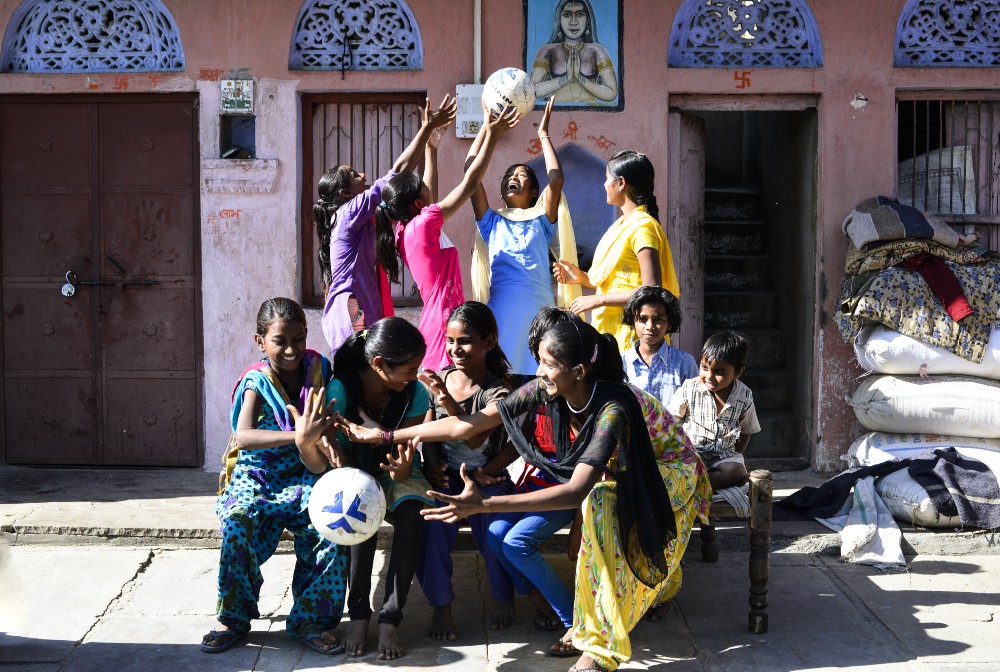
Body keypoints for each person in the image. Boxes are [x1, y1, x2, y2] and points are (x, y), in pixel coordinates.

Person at [331, 316, 712, 672]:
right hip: (612, 472)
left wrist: (484, 504)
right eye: (539, 361)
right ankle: (609, 611)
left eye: (547, 363)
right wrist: (384, 436)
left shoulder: (612, 408)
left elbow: (574, 490)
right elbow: (469, 426)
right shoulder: (547, 388)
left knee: (600, 507)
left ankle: (597, 645)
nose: (539, 371)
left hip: (670, 471)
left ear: (578, 371)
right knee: (599, 510)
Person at [202, 297, 345, 656]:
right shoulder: (257, 380)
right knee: (237, 524)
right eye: (280, 340)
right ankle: (232, 618)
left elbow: (327, 418)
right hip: (258, 475)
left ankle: (310, 620)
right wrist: (298, 434)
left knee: (332, 523)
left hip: (303, 470)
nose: (291, 348)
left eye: (298, 338)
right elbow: (245, 435)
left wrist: (316, 441)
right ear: (260, 342)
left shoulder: (319, 369)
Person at [291, 316, 433, 661]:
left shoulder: (415, 394)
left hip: (395, 472)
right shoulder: (341, 391)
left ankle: (390, 617)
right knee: (357, 512)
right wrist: (336, 453)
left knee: (414, 513)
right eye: (409, 369)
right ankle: (358, 615)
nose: (414, 376)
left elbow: (407, 454)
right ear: (380, 364)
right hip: (351, 470)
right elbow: (329, 449)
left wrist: (400, 472)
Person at [374, 105, 519, 370]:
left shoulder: (407, 228)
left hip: (442, 323)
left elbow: (429, 192)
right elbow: (470, 184)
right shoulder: (423, 224)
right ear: (418, 203)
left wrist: (432, 148)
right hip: (444, 328)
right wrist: (493, 136)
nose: (429, 191)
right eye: (423, 191)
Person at [315, 95, 456, 356]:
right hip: (352, 308)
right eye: (356, 175)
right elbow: (398, 172)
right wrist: (424, 130)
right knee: (360, 372)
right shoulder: (348, 212)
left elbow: (421, 200)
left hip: (362, 310)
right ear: (345, 193)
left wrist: (431, 148)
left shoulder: (366, 219)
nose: (364, 176)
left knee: (371, 380)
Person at [414, 301, 519, 639]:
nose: (455, 349)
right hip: (445, 478)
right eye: (450, 340)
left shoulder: (498, 389)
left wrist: (445, 398)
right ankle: (441, 607)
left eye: (465, 341)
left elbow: (474, 439)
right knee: (430, 527)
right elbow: (428, 433)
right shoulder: (440, 379)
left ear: (488, 342)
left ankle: (503, 597)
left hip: (487, 476)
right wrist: (432, 467)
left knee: (495, 531)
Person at [469, 96, 581, 375]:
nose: (513, 178)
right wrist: (487, 128)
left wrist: (543, 134)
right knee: (501, 375)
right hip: (501, 309)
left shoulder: (542, 221)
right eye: (509, 175)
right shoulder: (491, 221)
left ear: (534, 192)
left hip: (539, 310)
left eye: (522, 175)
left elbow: (556, 179)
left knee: (540, 376)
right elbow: (470, 171)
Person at [553, 150, 680, 352]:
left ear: (621, 183)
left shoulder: (642, 227)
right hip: (611, 330)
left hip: (631, 335)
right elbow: (617, 282)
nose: (604, 185)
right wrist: (581, 278)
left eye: (606, 179)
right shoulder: (622, 225)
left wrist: (598, 300)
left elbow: (651, 289)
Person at [667, 331, 760, 491]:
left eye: (719, 372)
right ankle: (700, 483)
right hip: (693, 451)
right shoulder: (690, 388)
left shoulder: (744, 396)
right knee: (678, 465)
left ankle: (696, 486)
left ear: (738, 373)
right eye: (704, 367)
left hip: (723, 456)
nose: (709, 376)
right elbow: (671, 421)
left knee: (737, 470)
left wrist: (736, 457)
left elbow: (746, 430)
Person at [530, 0, 618, 104]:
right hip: (555, 114)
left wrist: (579, 78)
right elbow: (532, 90)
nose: (573, 22)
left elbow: (611, 93)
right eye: (567, 14)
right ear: (559, 19)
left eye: (580, 14)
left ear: (588, 19)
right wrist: (565, 78)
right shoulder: (547, 50)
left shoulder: (597, 50)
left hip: (592, 113)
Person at [621, 286, 697, 404]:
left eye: (658, 320)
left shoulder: (685, 362)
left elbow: (695, 405)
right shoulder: (621, 363)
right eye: (642, 319)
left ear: (670, 323)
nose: (650, 326)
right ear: (633, 321)